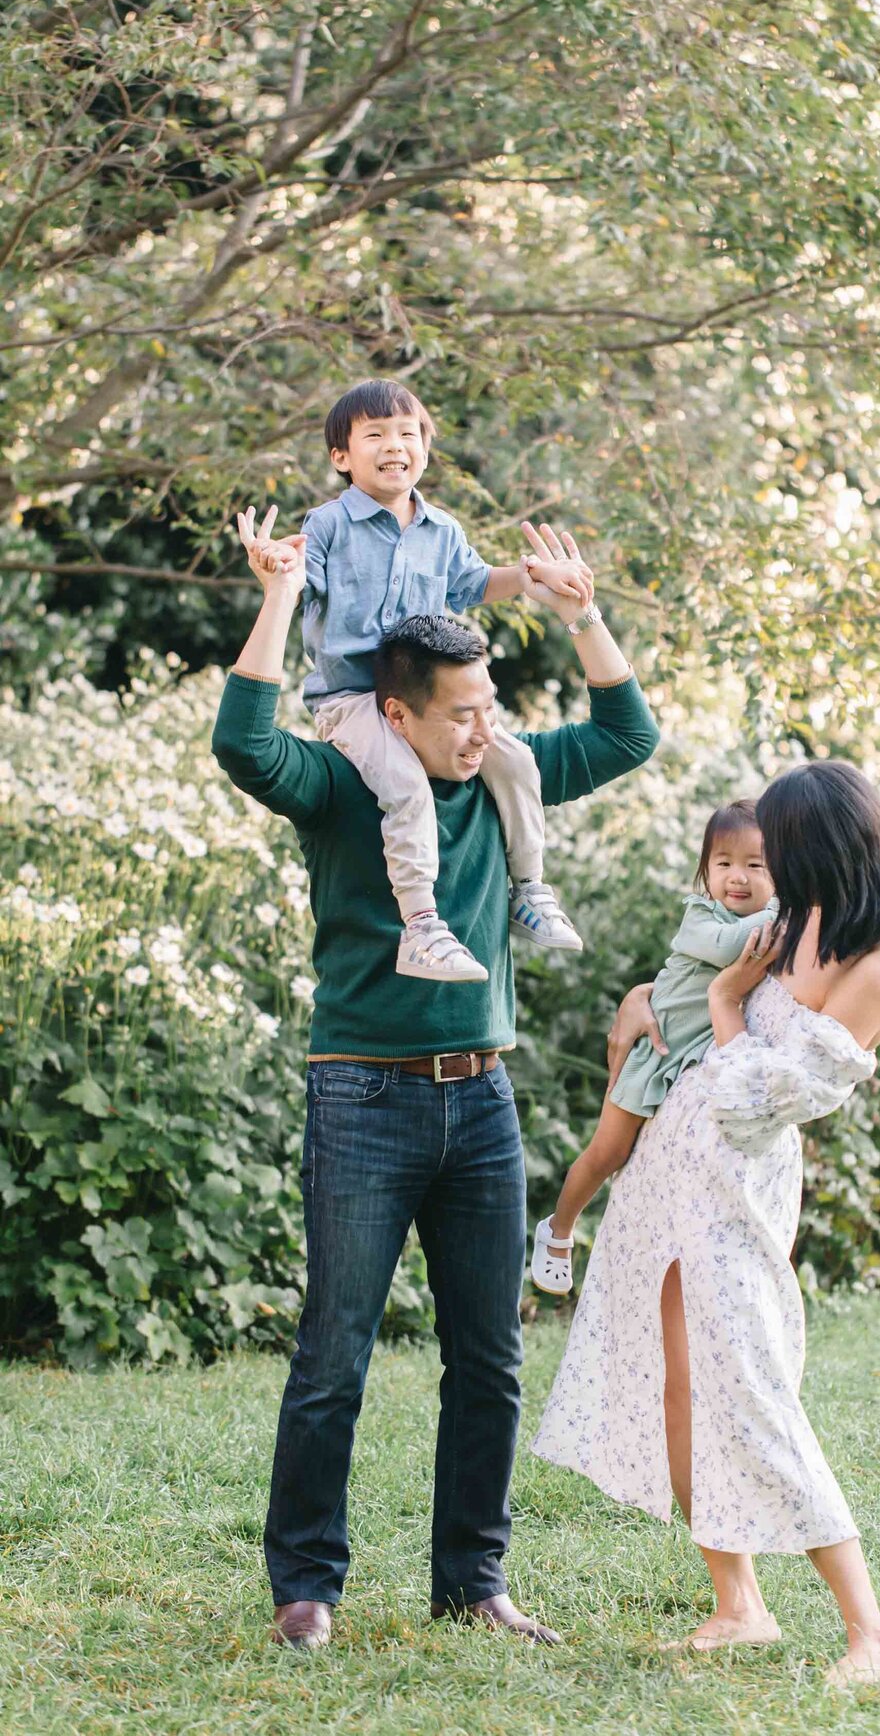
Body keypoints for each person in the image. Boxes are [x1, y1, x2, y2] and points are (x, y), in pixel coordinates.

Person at [211, 516, 659, 1652]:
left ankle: (474, 1581)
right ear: (394, 712)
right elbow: (243, 744)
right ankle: (306, 1588)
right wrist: (279, 597)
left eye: (488, 703)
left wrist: (581, 611)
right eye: (458, 711)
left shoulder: (500, 778)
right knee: (334, 1356)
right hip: (362, 1094)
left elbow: (625, 734)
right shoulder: (343, 783)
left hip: (483, 1100)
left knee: (492, 1359)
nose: (482, 727)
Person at [533, 761, 880, 1682]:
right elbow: (691, 975)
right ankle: (737, 1603)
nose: (768, 864)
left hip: (737, 1181)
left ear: (823, 844)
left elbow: (769, 1099)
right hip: (668, 1163)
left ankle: (870, 1631)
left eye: (782, 846)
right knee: (679, 1384)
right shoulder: (797, 917)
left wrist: (720, 1007)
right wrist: (647, 1000)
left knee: (748, 1387)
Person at [244, 377, 594, 983]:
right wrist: (279, 566)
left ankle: (529, 889)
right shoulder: (327, 525)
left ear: (425, 448)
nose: (394, 445)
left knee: (513, 761)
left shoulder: (443, 529)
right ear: (341, 456)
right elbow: (302, 577)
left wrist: (533, 576)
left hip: (429, 697)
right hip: (354, 700)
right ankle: (422, 927)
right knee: (406, 783)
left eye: (408, 433)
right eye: (374, 435)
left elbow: (474, 583)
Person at [531, 798, 778, 1294]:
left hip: (698, 1059)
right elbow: (731, 950)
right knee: (609, 1151)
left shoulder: (770, 919)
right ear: (704, 871)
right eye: (723, 863)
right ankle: (558, 1229)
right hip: (656, 1049)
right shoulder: (702, 918)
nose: (738, 877)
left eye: (756, 865)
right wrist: (785, 913)